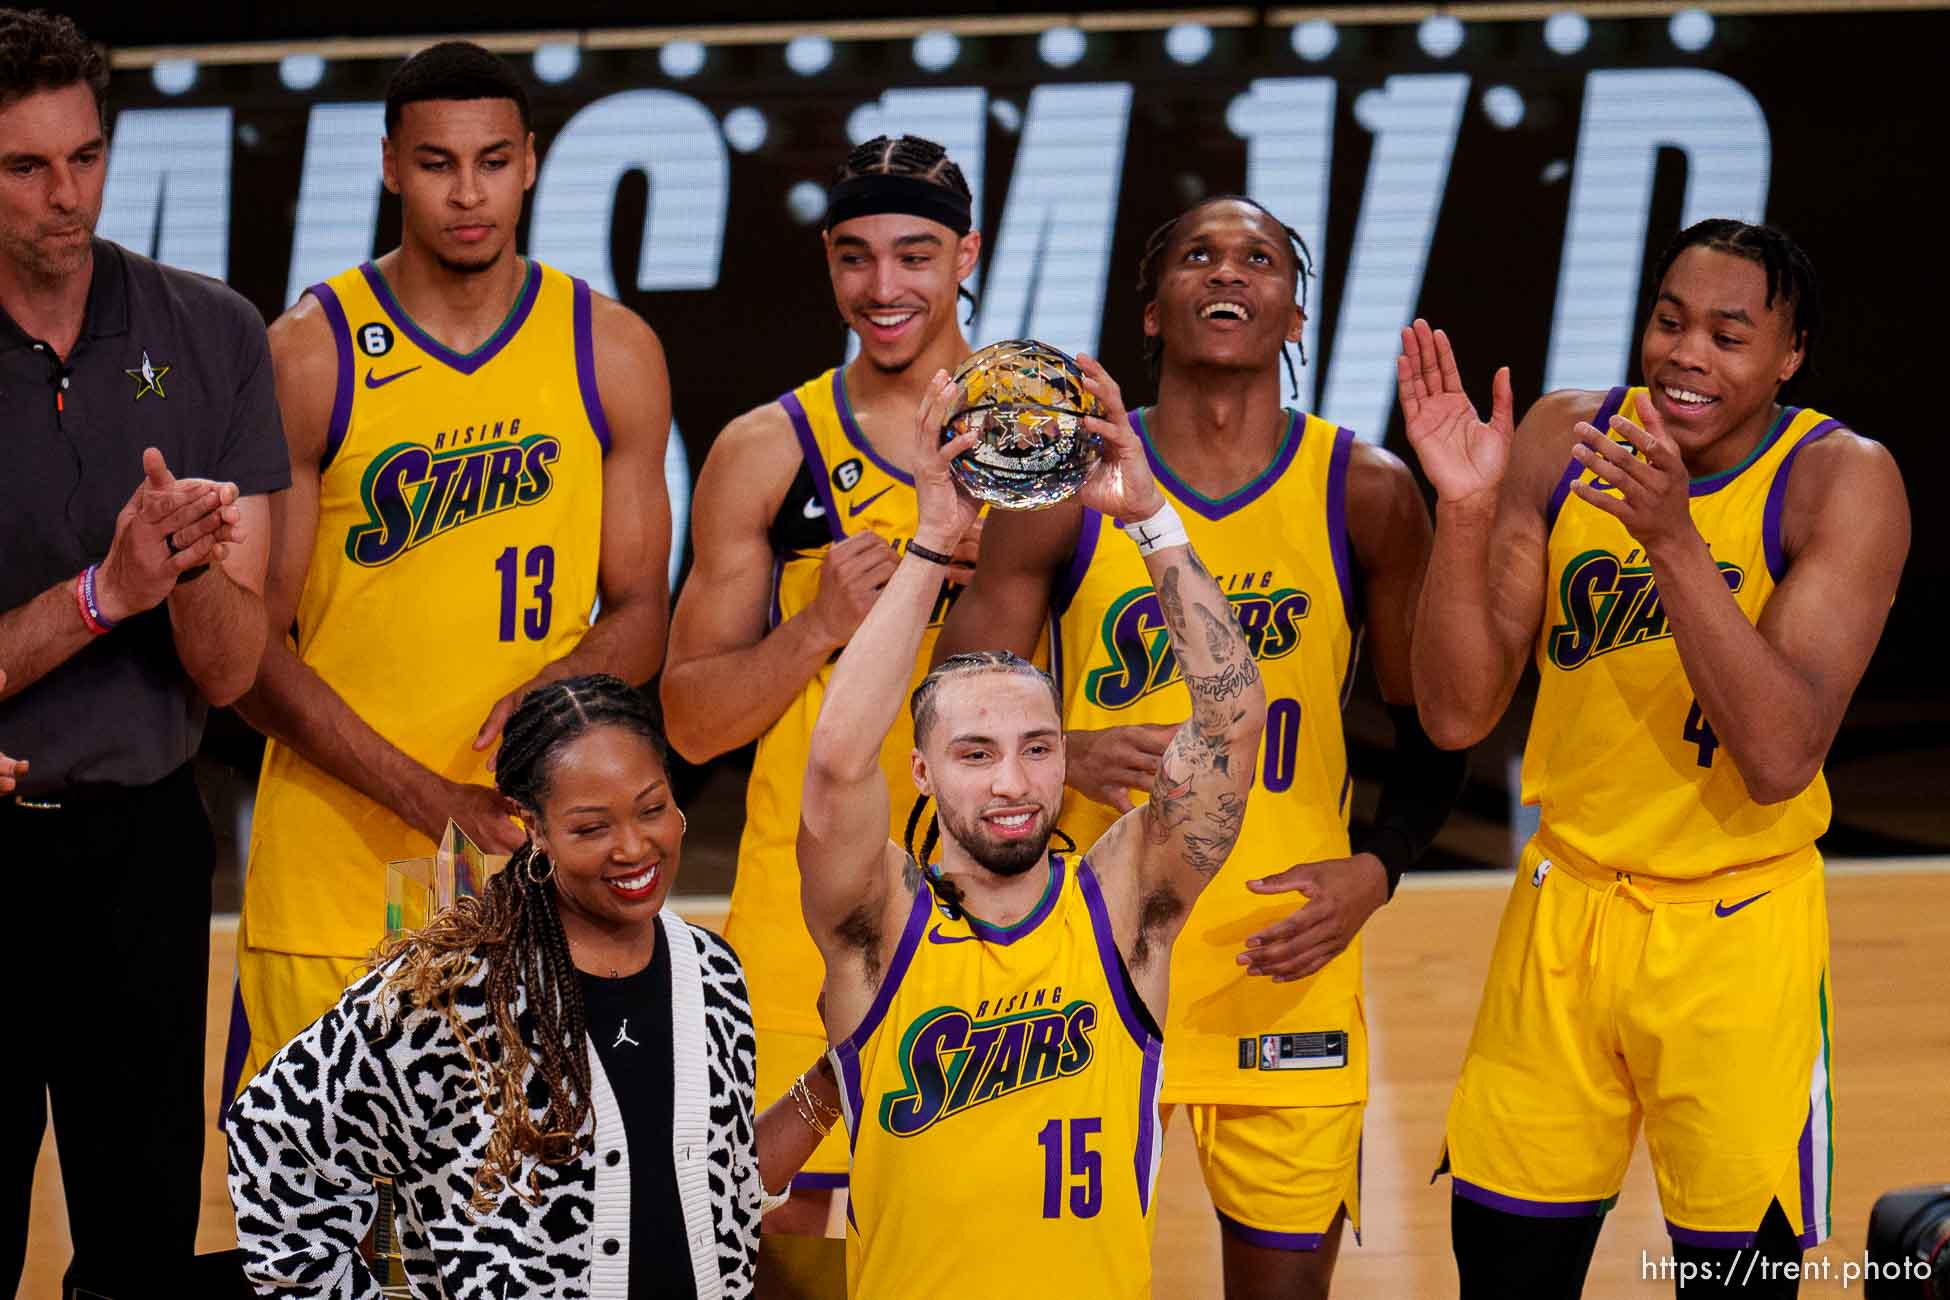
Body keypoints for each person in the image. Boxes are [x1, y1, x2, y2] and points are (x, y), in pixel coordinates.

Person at [938, 195, 1464, 1297]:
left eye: (1259, 258)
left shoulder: (1365, 492)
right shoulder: (1062, 491)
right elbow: (948, 701)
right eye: (1197, 254)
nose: (1229, 271)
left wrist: (1379, 869)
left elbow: (1439, 730)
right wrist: (1060, 753)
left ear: (1295, 319)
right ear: (1151, 311)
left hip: (1287, 954)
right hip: (1087, 949)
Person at [1398, 220, 1909, 1297]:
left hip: (1735, 935)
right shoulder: (1562, 436)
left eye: (1730, 334)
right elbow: (1455, 712)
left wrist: (1674, 541)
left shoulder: (1843, 482)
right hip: (1564, 912)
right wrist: (1468, 507)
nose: (1686, 353)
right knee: (1505, 1272)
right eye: (1671, 321)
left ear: (1791, 352)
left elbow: (1778, 754)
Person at [231, 41, 673, 1092]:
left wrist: (567, 687)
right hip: (332, 881)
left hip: (533, 883)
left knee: (519, 1235)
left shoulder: (607, 348)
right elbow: (246, 652)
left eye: (490, 160)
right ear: (390, 166)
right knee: (326, 1238)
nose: (467, 193)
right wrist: (429, 792)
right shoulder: (309, 351)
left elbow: (643, 612)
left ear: (530, 161)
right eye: (436, 163)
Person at [800, 360, 1266, 1298]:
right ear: (923, 773)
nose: (1013, 782)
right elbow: (837, 763)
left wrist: (1152, 523)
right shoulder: (878, 923)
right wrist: (933, 543)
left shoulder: (1125, 905)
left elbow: (1229, 720)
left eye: (1037, 748)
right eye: (975, 753)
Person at [229, 675, 843, 1299]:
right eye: (590, 828)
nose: (634, 847)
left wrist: (834, 1072)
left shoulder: (712, 971)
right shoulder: (452, 992)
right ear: (534, 827)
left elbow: (716, 1191)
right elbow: (274, 1140)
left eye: (652, 808)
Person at [0, 10, 285, 1293]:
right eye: (24, 167)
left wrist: (196, 567)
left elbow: (230, 674)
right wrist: (107, 594)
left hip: (144, 848)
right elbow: (99, 602)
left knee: (139, 1248)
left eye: (86, 156)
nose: (68, 197)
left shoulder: (211, 330)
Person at [660, 134, 984, 1234]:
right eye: (856, 257)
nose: (883, 288)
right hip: (801, 925)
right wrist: (813, 628)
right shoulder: (768, 450)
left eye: (915, 254)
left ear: (967, 255)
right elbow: (691, 725)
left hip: (996, 916)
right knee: (786, 1252)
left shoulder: (1040, 444)